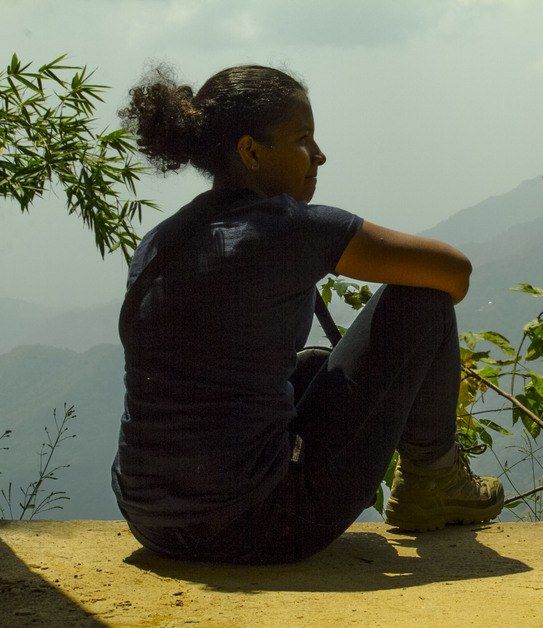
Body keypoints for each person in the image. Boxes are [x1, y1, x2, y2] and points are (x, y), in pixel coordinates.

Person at [111, 64, 503, 565]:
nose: (319, 155)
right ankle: (435, 479)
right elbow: (454, 273)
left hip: (150, 521)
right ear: (250, 151)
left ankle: (431, 478)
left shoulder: (161, 239)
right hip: (258, 524)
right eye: (303, 139)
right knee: (420, 299)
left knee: (317, 365)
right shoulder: (287, 228)